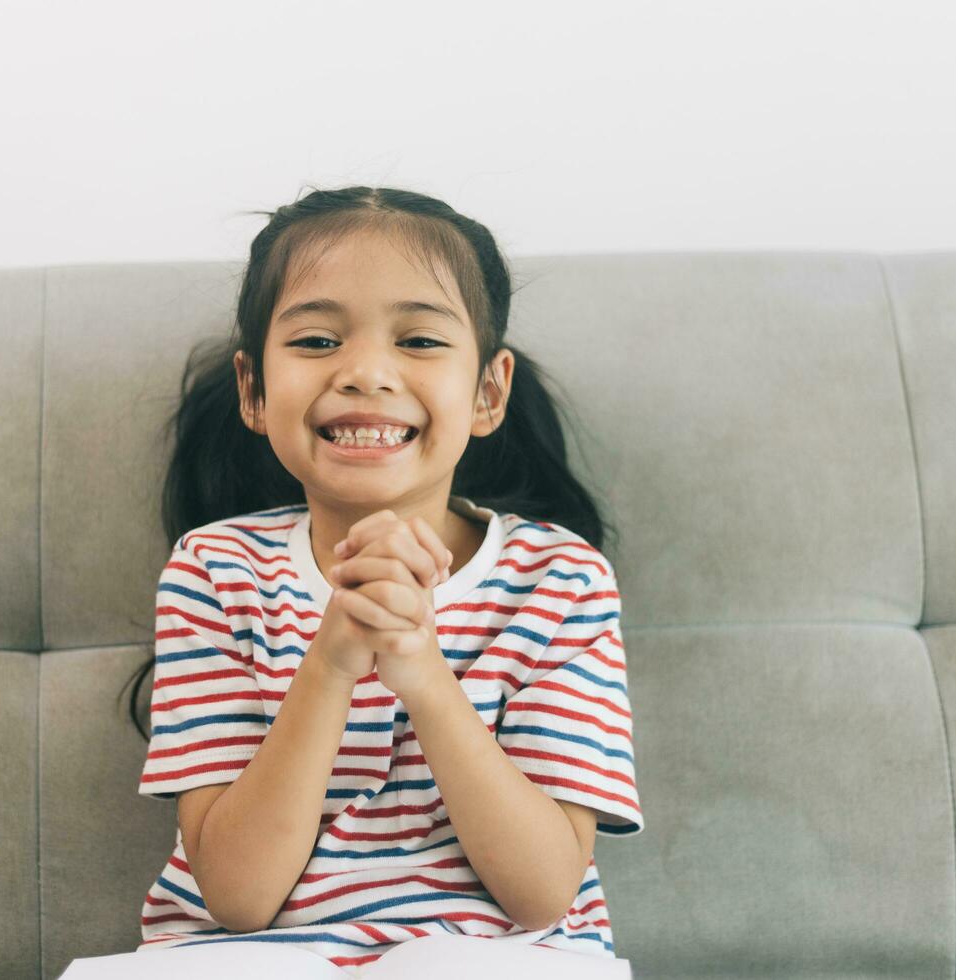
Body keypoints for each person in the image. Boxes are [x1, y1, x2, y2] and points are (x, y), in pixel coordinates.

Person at [118, 185, 643, 977]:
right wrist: (331, 661)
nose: (366, 372)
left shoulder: (559, 581)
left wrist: (421, 671)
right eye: (319, 340)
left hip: (494, 959)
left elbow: (542, 893)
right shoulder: (214, 571)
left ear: (488, 392)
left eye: (421, 341)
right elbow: (236, 895)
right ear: (254, 391)